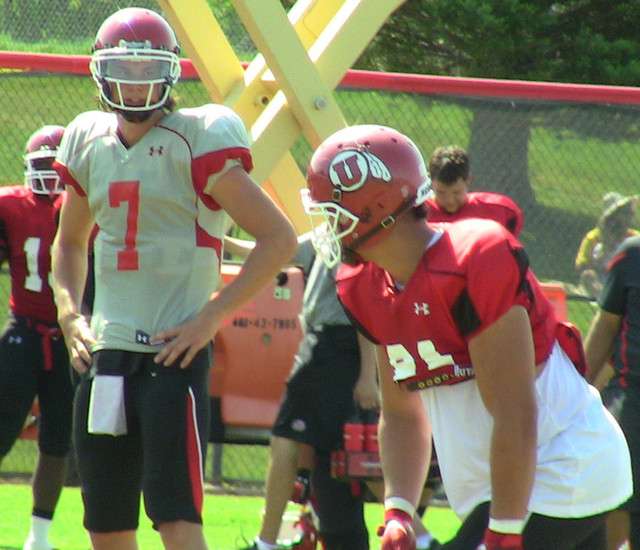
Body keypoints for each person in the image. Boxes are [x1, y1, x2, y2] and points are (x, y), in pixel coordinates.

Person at [301, 124, 632, 550]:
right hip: (519, 484)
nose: (327, 227)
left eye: (333, 212)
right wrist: (399, 508)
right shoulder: (364, 285)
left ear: (374, 207)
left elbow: (514, 411)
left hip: (561, 467)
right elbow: (402, 412)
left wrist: (506, 529)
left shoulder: (473, 260)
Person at [50, 7, 297, 550]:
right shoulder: (88, 138)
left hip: (171, 355)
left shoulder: (199, 137)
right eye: (124, 68)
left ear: (169, 73)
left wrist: (210, 318)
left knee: (176, 517)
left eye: (146, 70)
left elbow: (278, 239)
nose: (135, 84)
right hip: (105, 353)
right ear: (100, 71)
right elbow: (69, 243)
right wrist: (70, 315)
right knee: (105, 521)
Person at [227, 234, 399, 550]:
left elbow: (364, 306)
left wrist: (366, 375)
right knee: (334, 457)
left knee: (287, 436)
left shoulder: (360, 233)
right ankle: (368, 535)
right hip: (322, 344)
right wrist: (219, 240)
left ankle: (267, 541)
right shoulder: (326, 233)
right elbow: (275, 247)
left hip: (334, 345)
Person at [0, 125, 70, 550]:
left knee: (58, 439)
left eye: (57, 168)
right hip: (24, 330)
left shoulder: (89, 207)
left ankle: (39, 537)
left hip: (70, 337)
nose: (49, 177)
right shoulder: (10, 205)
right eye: (42, 168)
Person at [584, 235, 640, 550]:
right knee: (615, 503)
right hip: (631, 399)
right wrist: (577, 392)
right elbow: (606, 325)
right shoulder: (632, 254)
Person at [425, 145, 523, 237]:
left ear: (468, 181)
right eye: (441, 192)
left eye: (456, 192)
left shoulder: (500, 211)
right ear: (430, 183)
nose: (450, 201)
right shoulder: (418, 213)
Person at [575, 192, 638, 298]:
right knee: (588, 276)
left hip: (627, 280)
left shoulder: (634, 238)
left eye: (629, 213)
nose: (629, 217)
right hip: (601, 280)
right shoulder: (594, 237)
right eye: (624, 213)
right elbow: (582, 265)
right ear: (612, 216)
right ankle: (605, 297)